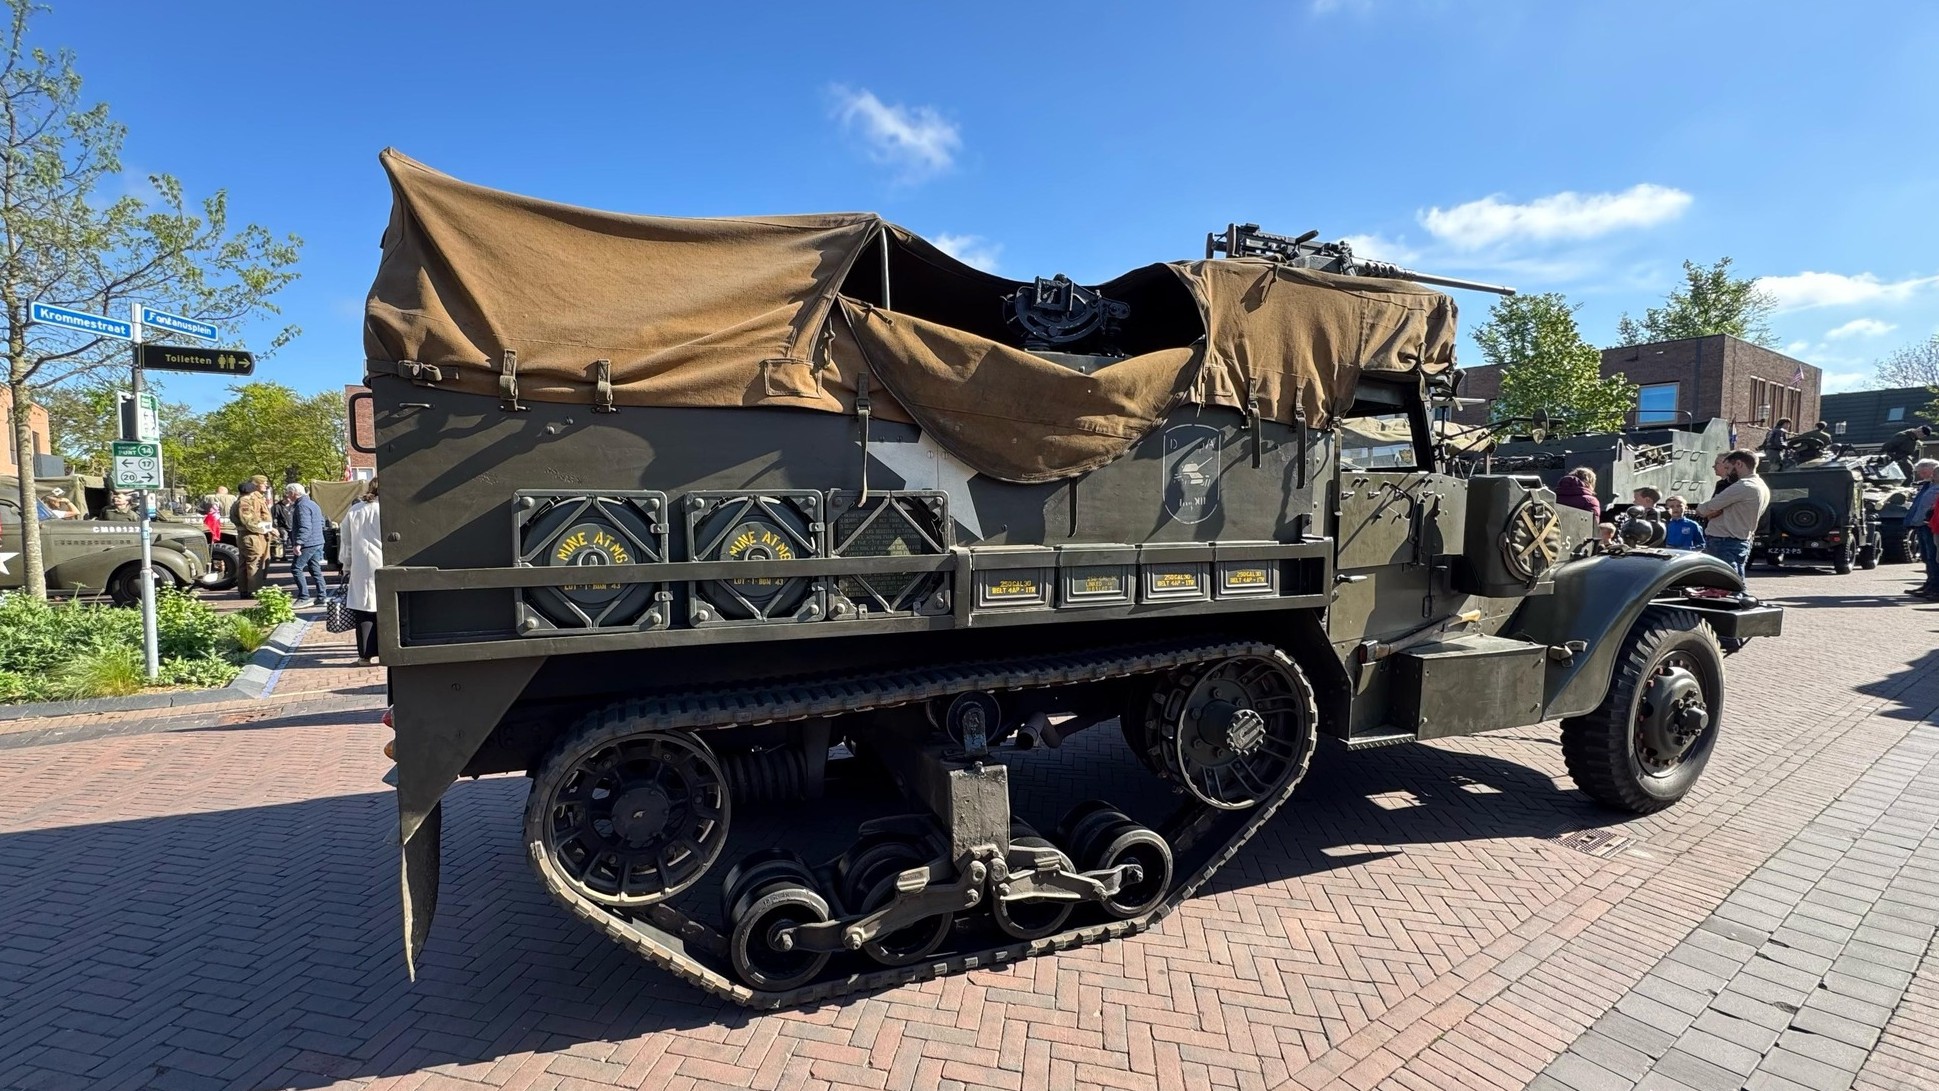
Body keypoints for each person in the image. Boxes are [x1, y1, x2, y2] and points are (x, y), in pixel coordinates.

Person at [1693, 449, 1770, 579]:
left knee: (1725, 582)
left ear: (1739, 464)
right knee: (1735, 580)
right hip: (1741, 538)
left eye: (1728, 467)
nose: (1727, 473)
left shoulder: (1743, 485)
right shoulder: (1761, 485)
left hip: (1724, 539)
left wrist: (1701, 508)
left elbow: (1707, 508)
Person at [339, 478, 384, 665]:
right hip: (384, 560)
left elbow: (346, 541)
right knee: (387, 607)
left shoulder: (354, 511)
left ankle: (365, 654)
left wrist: (346, 564)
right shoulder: (386, 509)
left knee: (364, 610)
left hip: (361, 565)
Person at [285, 482, 328, 607]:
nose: (287, 496)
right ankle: (322, 596)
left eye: (288, 493)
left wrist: (298, 543)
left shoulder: (301, 506)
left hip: (308, 543)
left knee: (296, 568)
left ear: (294, 493)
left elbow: (305, 527)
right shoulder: (312, 503)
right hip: (317, 541)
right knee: (315, 569)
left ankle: (304, 597)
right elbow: (321, 522)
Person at [232, 478, 274, 599]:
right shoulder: (245, 502)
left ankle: (245, 589)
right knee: (254, 563)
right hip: (251, 536)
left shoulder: (240, 501)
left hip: (248, 535)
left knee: (246, 563)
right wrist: (267, 529)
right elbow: (248, 522)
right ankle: (254, 590)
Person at [1907, 459, 1939, 599]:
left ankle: (1935, 587)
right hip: (1925, 524)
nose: (1921, 475)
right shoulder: (1928, 486)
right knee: (1927, 556)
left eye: (1923, 472)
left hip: (1931, 526)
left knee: (1933, 557)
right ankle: (1930, 584)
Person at [270, 491, 295, 562]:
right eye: (287, 498)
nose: (289, 500)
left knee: (294, 540)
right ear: (284, 498)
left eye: (290, 498)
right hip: (282, 526)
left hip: (292, 526)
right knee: (284, 538)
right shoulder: (277, 507)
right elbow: (274, 518)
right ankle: (282, 555)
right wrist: (275, 527)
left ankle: (296, 554)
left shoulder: (293, 506)